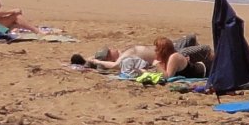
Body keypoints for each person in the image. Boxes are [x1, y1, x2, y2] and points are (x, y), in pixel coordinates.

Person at [72, 37, 206, 80]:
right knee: (197, 44)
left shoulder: (124, 52)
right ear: (109, 57)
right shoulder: (124, 58)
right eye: (110, 51)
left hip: (173, 53)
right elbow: (113, 66)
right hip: (174, 52)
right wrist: (96, 61)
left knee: (190, 40)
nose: (113, 49)